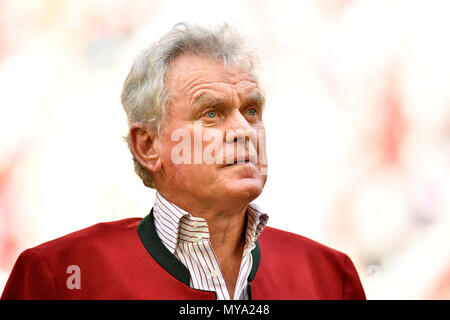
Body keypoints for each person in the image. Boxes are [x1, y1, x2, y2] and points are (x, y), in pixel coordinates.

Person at [1, 22, 365, 300]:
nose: (243, 129)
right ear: (147, 145)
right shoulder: (60, 277)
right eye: (211, 113)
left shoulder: (330, 278)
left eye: (252, 110)